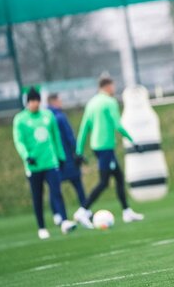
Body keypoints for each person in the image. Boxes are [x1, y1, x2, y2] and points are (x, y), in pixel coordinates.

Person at [73, 77, 144, 227]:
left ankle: (126, 211)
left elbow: (84, 128)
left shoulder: (92, 103)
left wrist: (79, 150)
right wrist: (133, 141)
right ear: (107, 86)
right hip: (105, 147)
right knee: (104, 182)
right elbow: (118, 125)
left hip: (97, 147)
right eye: (113, 86)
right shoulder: (109, 102)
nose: (114, 89)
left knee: (118, 177)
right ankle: (82, 210)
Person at [12, 87, 77, 239]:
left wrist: (61, 157)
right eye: (32, 101)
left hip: (50, 162)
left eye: (37, 100)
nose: (35, 103)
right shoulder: (20, 119)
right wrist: (26, 156)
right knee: (37, 196)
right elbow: (19, 141)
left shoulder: (48, 116)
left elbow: (56, 138)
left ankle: (65, 221)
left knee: (56, 192)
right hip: (34, 165)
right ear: (27, 102)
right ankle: (41, 227)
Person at [47, 93, 90, 227]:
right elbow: (69, 136)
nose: (61, 102)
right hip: (67, 158)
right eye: (59, 100)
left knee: (54, 188)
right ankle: (85, 210)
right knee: (78, 185)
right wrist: (77, 153)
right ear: (54, 102)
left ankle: (58, 215)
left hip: (53, 159)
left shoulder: (45, 118)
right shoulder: (60, 117)